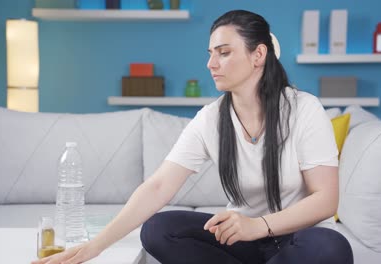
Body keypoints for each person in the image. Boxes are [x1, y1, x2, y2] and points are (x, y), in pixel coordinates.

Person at [32, 10, 353, 264]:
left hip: (299, 241)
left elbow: (326, 199)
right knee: (159, 230)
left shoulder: (303, 109)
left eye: (224, 53)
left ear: (258, 55)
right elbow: (158, 186)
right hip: (240, 242)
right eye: (211, 53)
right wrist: (94, 247)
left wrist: (260, 225)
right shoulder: (211, 118)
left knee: (331, 248)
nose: (211, 64)